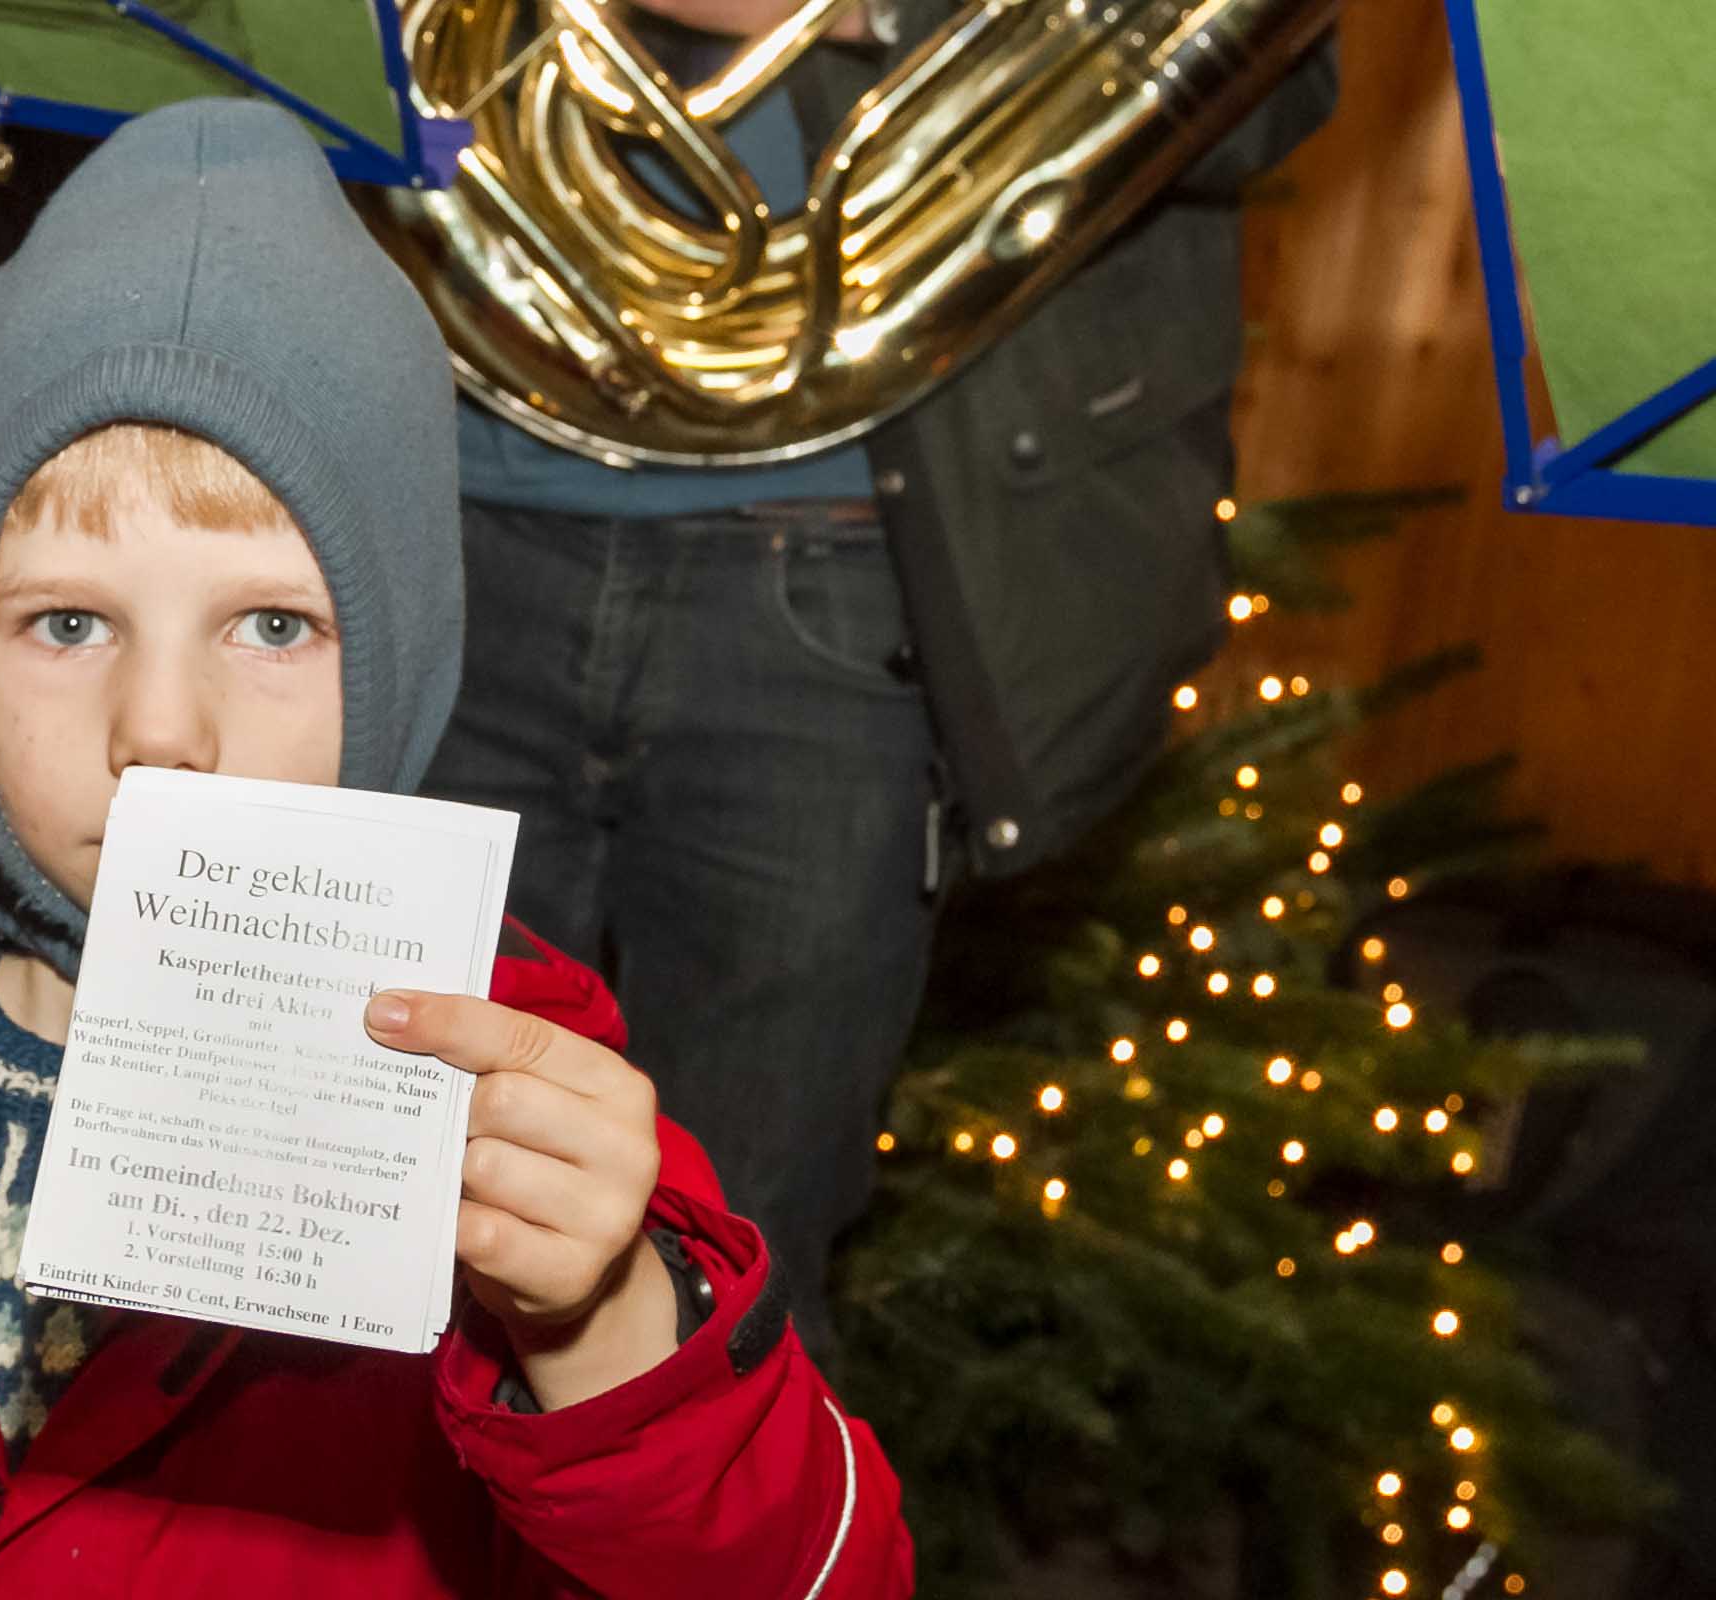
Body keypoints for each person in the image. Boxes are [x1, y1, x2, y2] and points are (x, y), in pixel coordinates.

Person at [0, 102, 913, 1597]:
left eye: (271, 625)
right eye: (68, 623)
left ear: (404, 661)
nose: (160, 726)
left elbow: (816, 1575)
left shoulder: (540, 1160)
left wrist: (600, 1335)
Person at [424, 0, 1339, 1362]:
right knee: (361, 1224)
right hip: (439, 514)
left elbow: (1254, 84)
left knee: (732, 1271)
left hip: (842, 579)